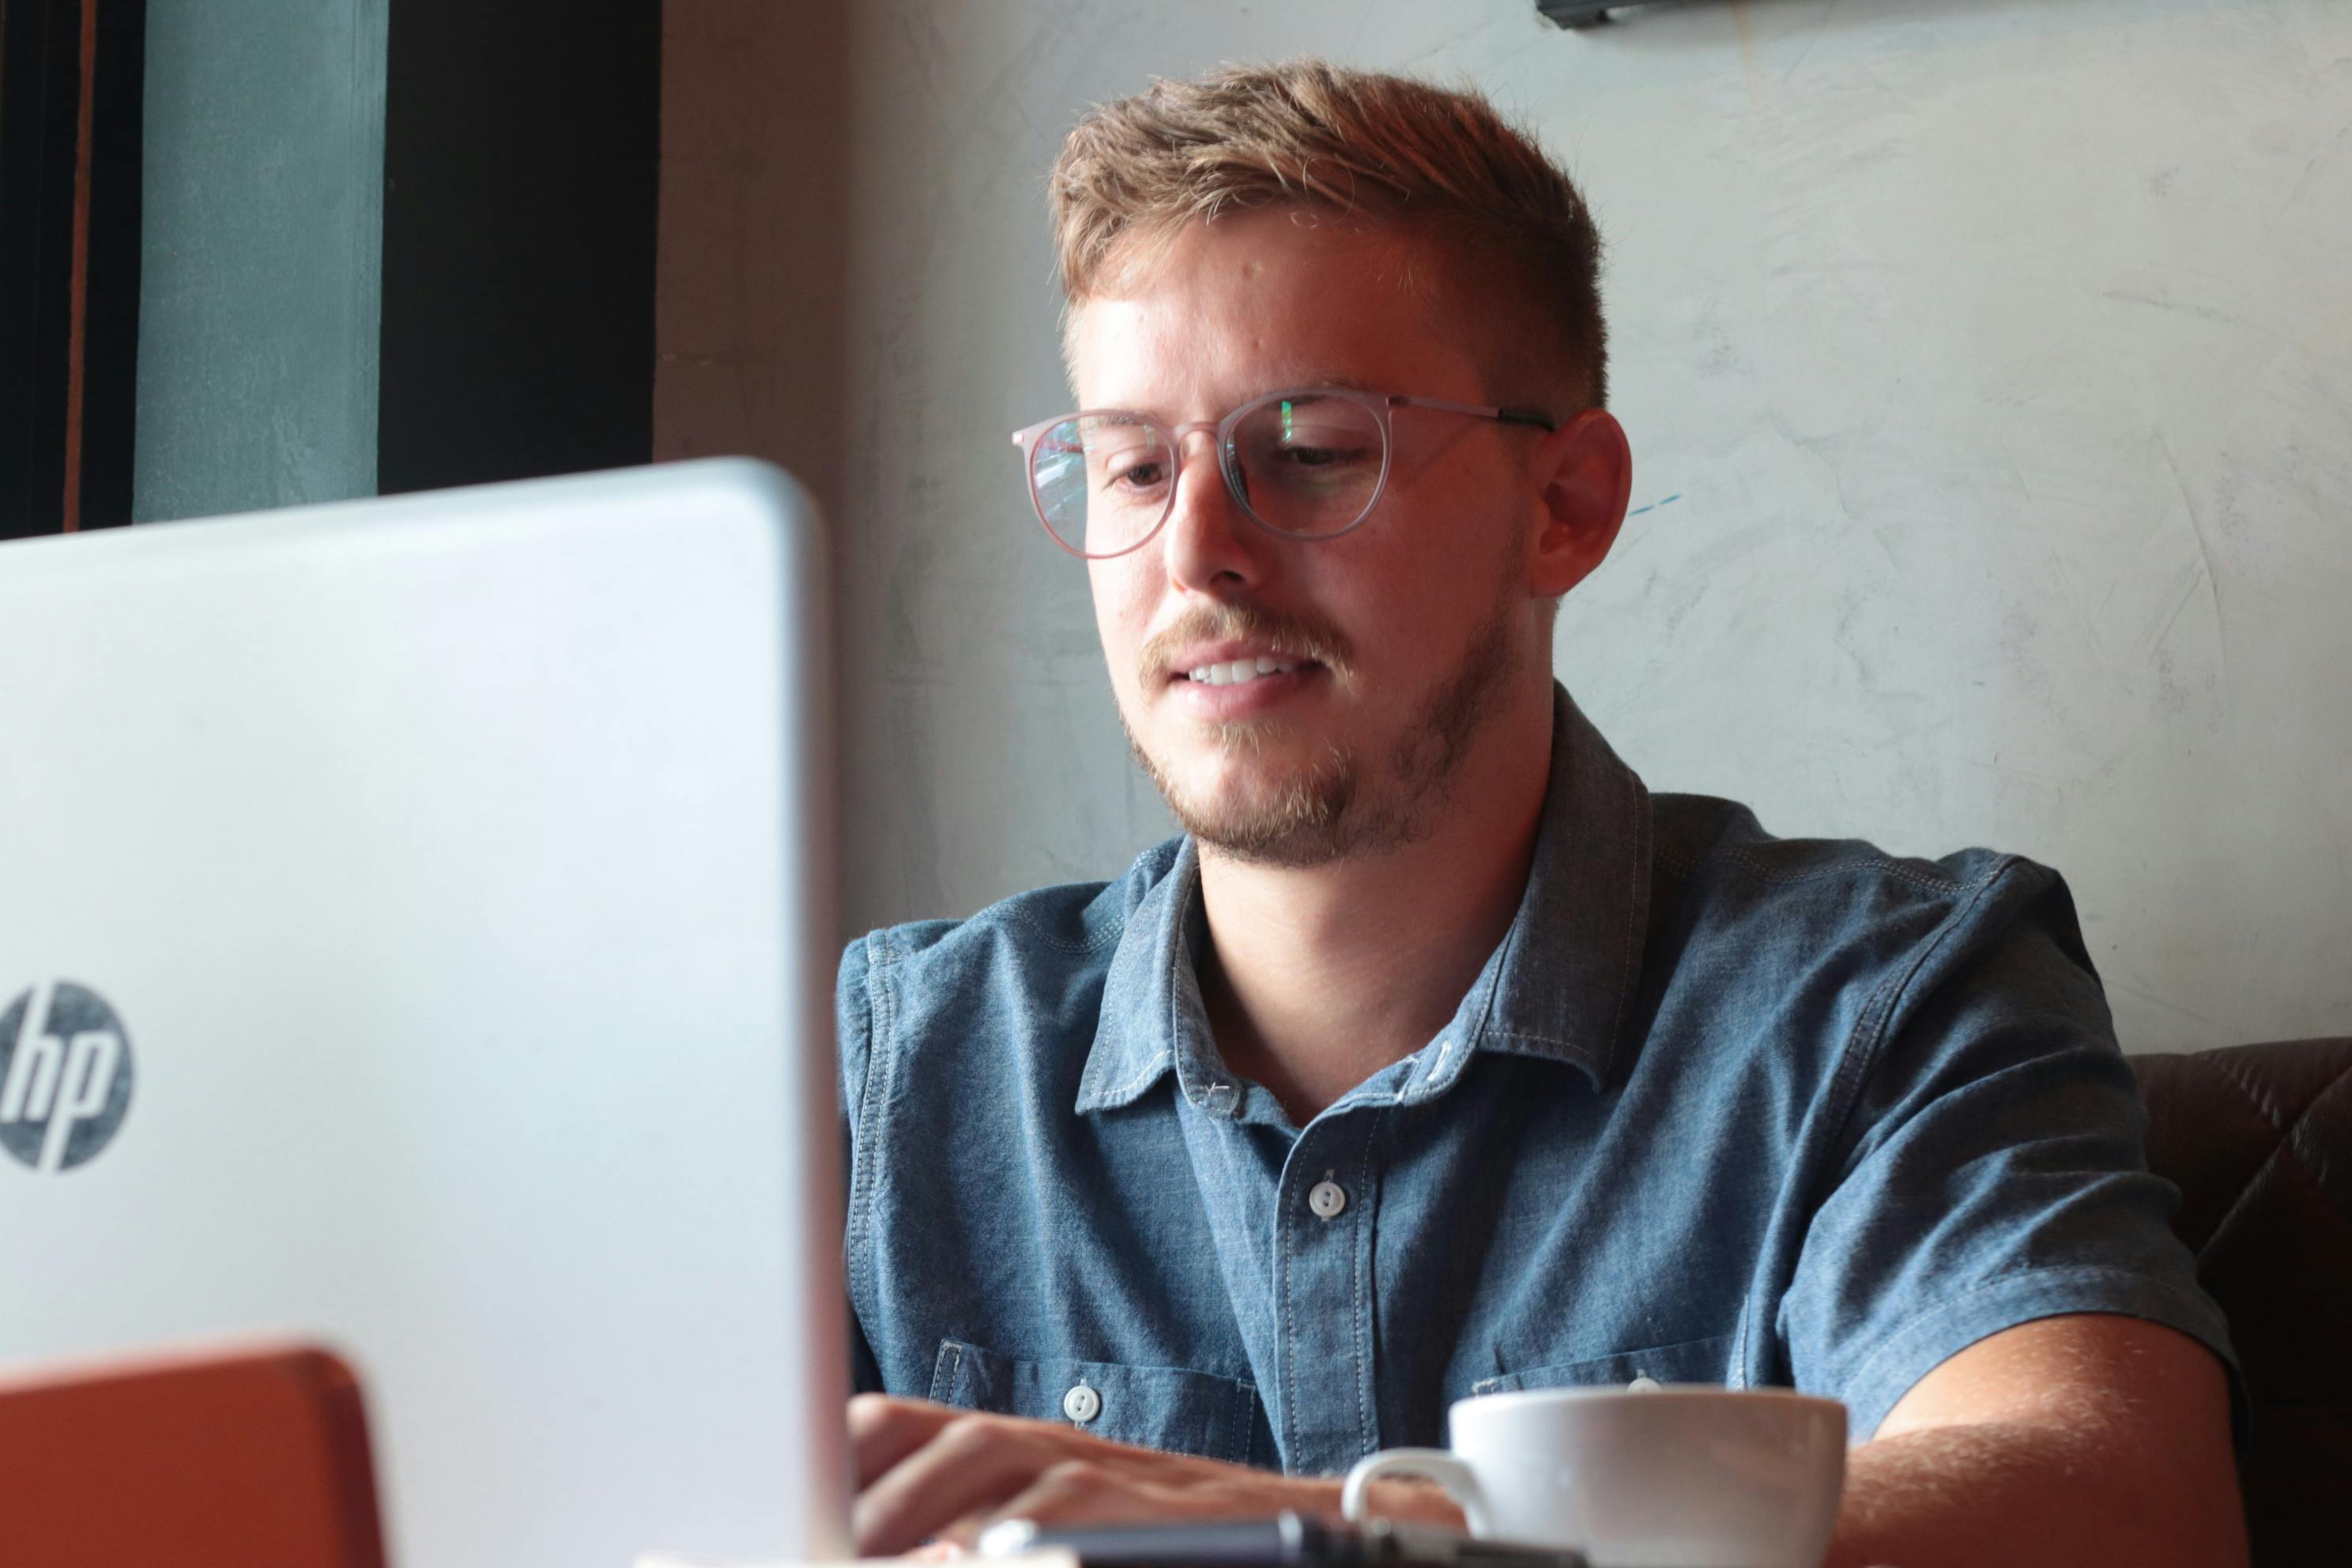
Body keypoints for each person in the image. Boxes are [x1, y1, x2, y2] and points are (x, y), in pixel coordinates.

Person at [839, 60, 2247, 1567]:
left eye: (1310, 453)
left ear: (1565, 504)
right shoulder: (904, 1061)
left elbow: (2124, 1508)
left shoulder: (1892, 1004)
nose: (1198, 554)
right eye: (1131, 466)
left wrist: (1318, 1540)